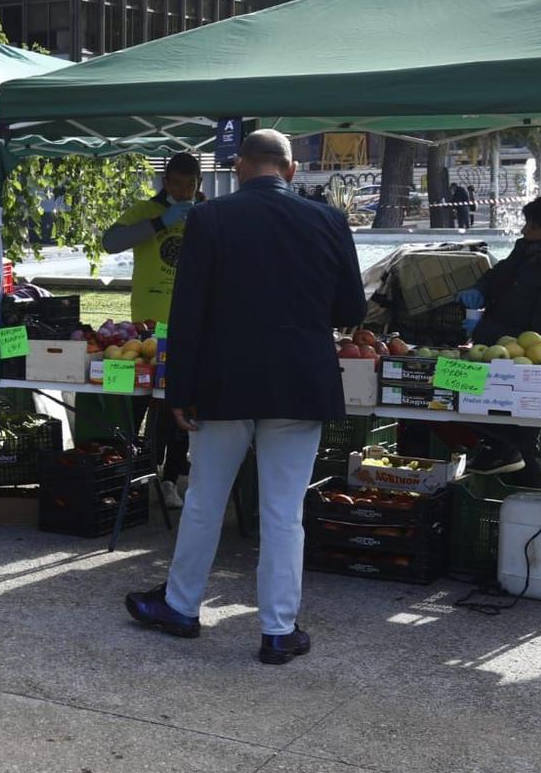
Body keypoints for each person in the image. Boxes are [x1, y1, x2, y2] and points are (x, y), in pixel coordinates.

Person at [126, 130, 366, 665]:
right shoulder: (328, 220)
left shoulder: (210, 219)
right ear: (289, 169)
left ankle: (182, 607)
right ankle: (278, 630)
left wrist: (178, 390)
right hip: (299, 382)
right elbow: (352, 306)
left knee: (206, 501)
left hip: (223, 381)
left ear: (238, 167)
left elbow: (186, 313)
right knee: (283, 512)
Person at [456, 193, 541, 475]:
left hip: (530, 376)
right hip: (501, 359)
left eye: (534, 225)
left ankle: (511, 459)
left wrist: (484, 330)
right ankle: (497, 452)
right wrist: (480, 289)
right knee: (445, 385)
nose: (524, 230)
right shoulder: (528, 253)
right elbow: (498, 275)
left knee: (522, 445)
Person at [100, 152, 204, 507]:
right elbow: (110, 242)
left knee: (181, 402)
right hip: (146, 325)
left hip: (190, 324)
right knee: (140, 403)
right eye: (178, 182)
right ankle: (134, 472)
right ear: (166, 182)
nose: (185, 190)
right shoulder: (145, 210)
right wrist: (162, 222)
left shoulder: (206, 211)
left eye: (191, 183)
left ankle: (173, 476)